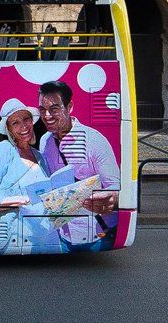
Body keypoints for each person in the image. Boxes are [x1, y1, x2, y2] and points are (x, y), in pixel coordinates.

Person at [35, 80, 122, 251]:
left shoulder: (94, 140)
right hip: (60, 231)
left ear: (69, 107)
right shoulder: (45, 140)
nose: (46, 116)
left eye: (54, 109)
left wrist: (110, 197)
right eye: (42, 110)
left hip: (93, 234)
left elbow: (116, 186)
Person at [0, 103, 57, 254]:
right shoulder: (3, 150)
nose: (23, 126)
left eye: (26, 119)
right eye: (15, 123)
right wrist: (21, 200)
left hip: (44, 234)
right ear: (9, 129)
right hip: (16, 235)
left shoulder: (39, 156)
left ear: (32, 121)